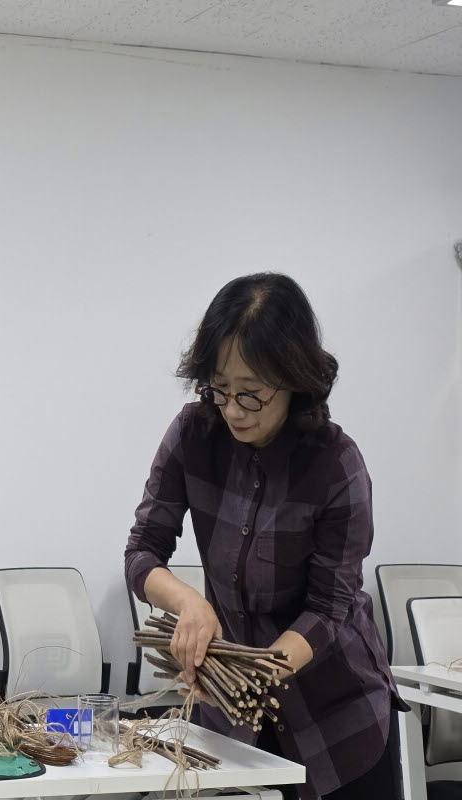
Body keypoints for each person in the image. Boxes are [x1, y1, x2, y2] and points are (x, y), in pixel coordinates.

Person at [124, 273, 405, 799]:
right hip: (234, 720)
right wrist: (190, 605)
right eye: (219, 388)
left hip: (337, 719)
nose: (231, 409)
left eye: (250, 394)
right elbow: (142, 551)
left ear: (294, 377)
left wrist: (250, 677)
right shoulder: (193, 434)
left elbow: (328, 608)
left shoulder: (335, 465)